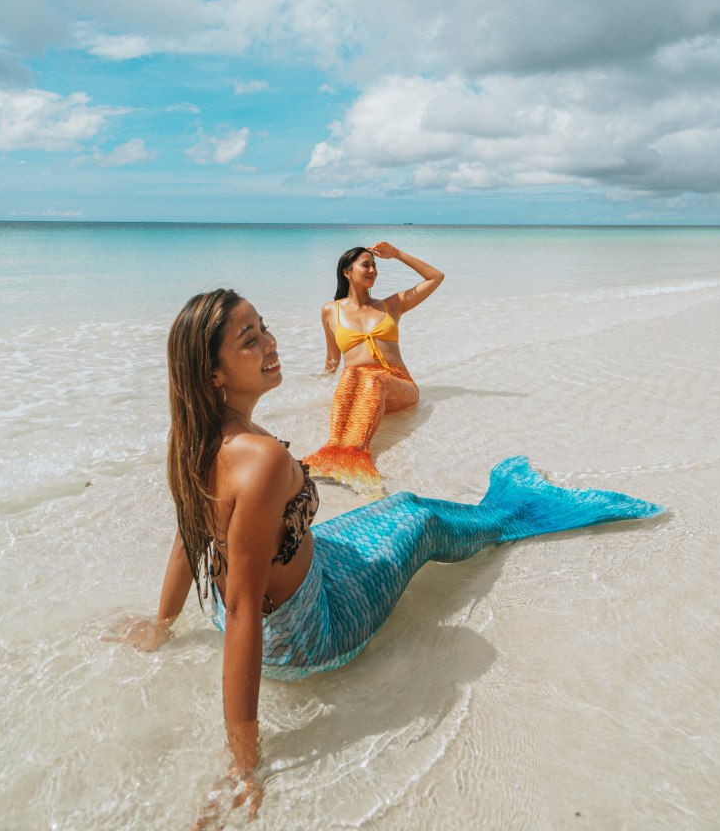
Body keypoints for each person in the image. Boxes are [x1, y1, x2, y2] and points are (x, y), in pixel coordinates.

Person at [111, 289, 661, 821]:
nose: (271, 343)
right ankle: (515, 514)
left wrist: (162, 624)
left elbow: (191, 534)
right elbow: (239, 611)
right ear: (214, 374)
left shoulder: (198, 439)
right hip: (310, 630)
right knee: (419, 518)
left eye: (265, 327)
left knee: (402, 502)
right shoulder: (258, 461)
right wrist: (244, 765)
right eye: (249, 340)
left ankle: (498, 514)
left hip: (302, 577)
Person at [306, 242, 442, 496]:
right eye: (366, 265)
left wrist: (398, 255)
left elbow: (436, 277)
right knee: (351, 374)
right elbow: (332, 360)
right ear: (347, 272)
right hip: (359, 383)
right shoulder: (330, 311)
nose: (372, 270)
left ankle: (357, 454)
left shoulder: (392, 305)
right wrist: (316, 384)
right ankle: (333, 450)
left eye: (374, 265)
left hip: (397, 385)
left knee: (372, 379)